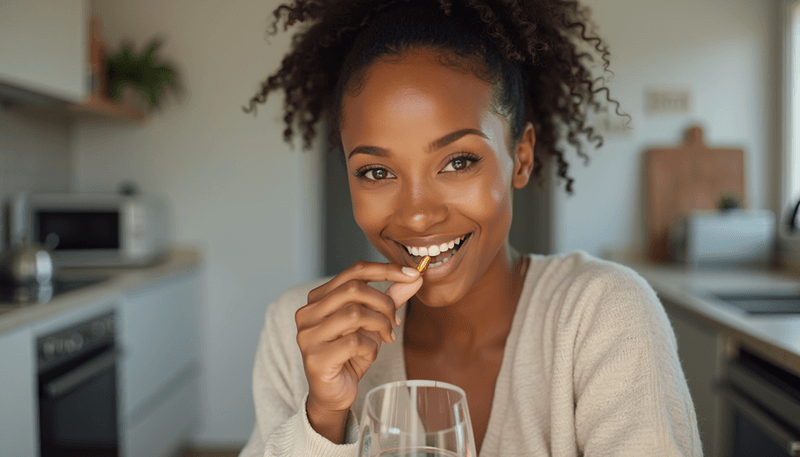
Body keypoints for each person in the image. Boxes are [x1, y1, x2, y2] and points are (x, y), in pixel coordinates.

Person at [240, 1, 702, 456]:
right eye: (377, 172)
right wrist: (324, 417)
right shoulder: (295, 330)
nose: (417, 215)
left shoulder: (600, 318)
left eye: (458, 162)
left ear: (521, 158)